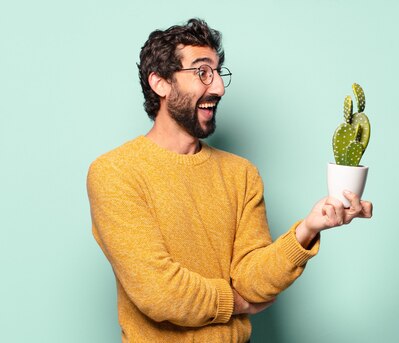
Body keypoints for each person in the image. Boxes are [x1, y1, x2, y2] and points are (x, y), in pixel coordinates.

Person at [86, 18, 373, 343]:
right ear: (161, 83)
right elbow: (158, 291)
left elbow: (252, 279)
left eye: (219, 73)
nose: (219, 87)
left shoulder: (241, 173)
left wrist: (307, 229)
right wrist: (237, 303)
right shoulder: (115, 172)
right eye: (202, 72)